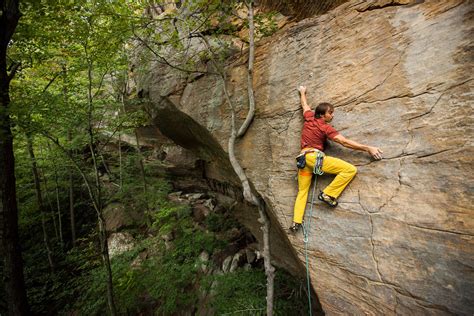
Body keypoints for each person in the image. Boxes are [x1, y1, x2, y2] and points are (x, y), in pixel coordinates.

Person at [290, 86, 383, 232]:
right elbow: (344, 142)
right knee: (349, 170)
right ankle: (328, 194)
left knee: (302, 192)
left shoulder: (309, 117)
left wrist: (302, 92)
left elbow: (305, 105)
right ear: (322, 115)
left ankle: (296, 222)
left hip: (303, 161)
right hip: (314, 159)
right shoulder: (325, 128)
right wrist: (368, 148)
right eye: (330, 113)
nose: (332, 116)